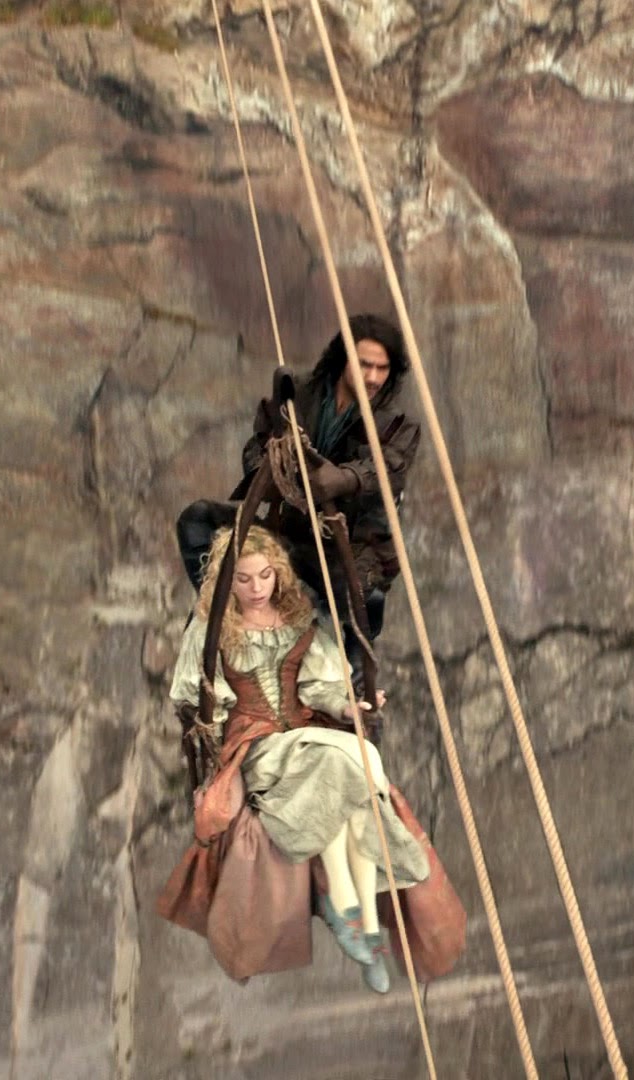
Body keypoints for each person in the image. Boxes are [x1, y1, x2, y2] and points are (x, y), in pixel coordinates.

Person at [155, 525, 464, 992]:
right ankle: (351, 916)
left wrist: (347, 707)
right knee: (348, 766)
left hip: (305, 733)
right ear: (226, 580)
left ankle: (363, 928)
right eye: (244, 579)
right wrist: (214, 739)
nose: (257, 588)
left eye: (265, 575)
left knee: (353, 781)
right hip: (259, 744)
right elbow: (200, 701)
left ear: (278, 572)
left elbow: (319, 687)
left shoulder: (295, 618)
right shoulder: (212, 627)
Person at [176, 314, 420, 641]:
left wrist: (344, 478)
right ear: (343, 358)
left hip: (345, 555)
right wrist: (272, 470)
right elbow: (257, 445)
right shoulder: (297, 396)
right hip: (287, 536)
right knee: (198, 519)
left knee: (361, 602)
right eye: (364, 364)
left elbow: (388, 468)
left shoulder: (397, 424)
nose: (373, 377)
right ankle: (224, 611)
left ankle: (349, 652)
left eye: (382, 368)